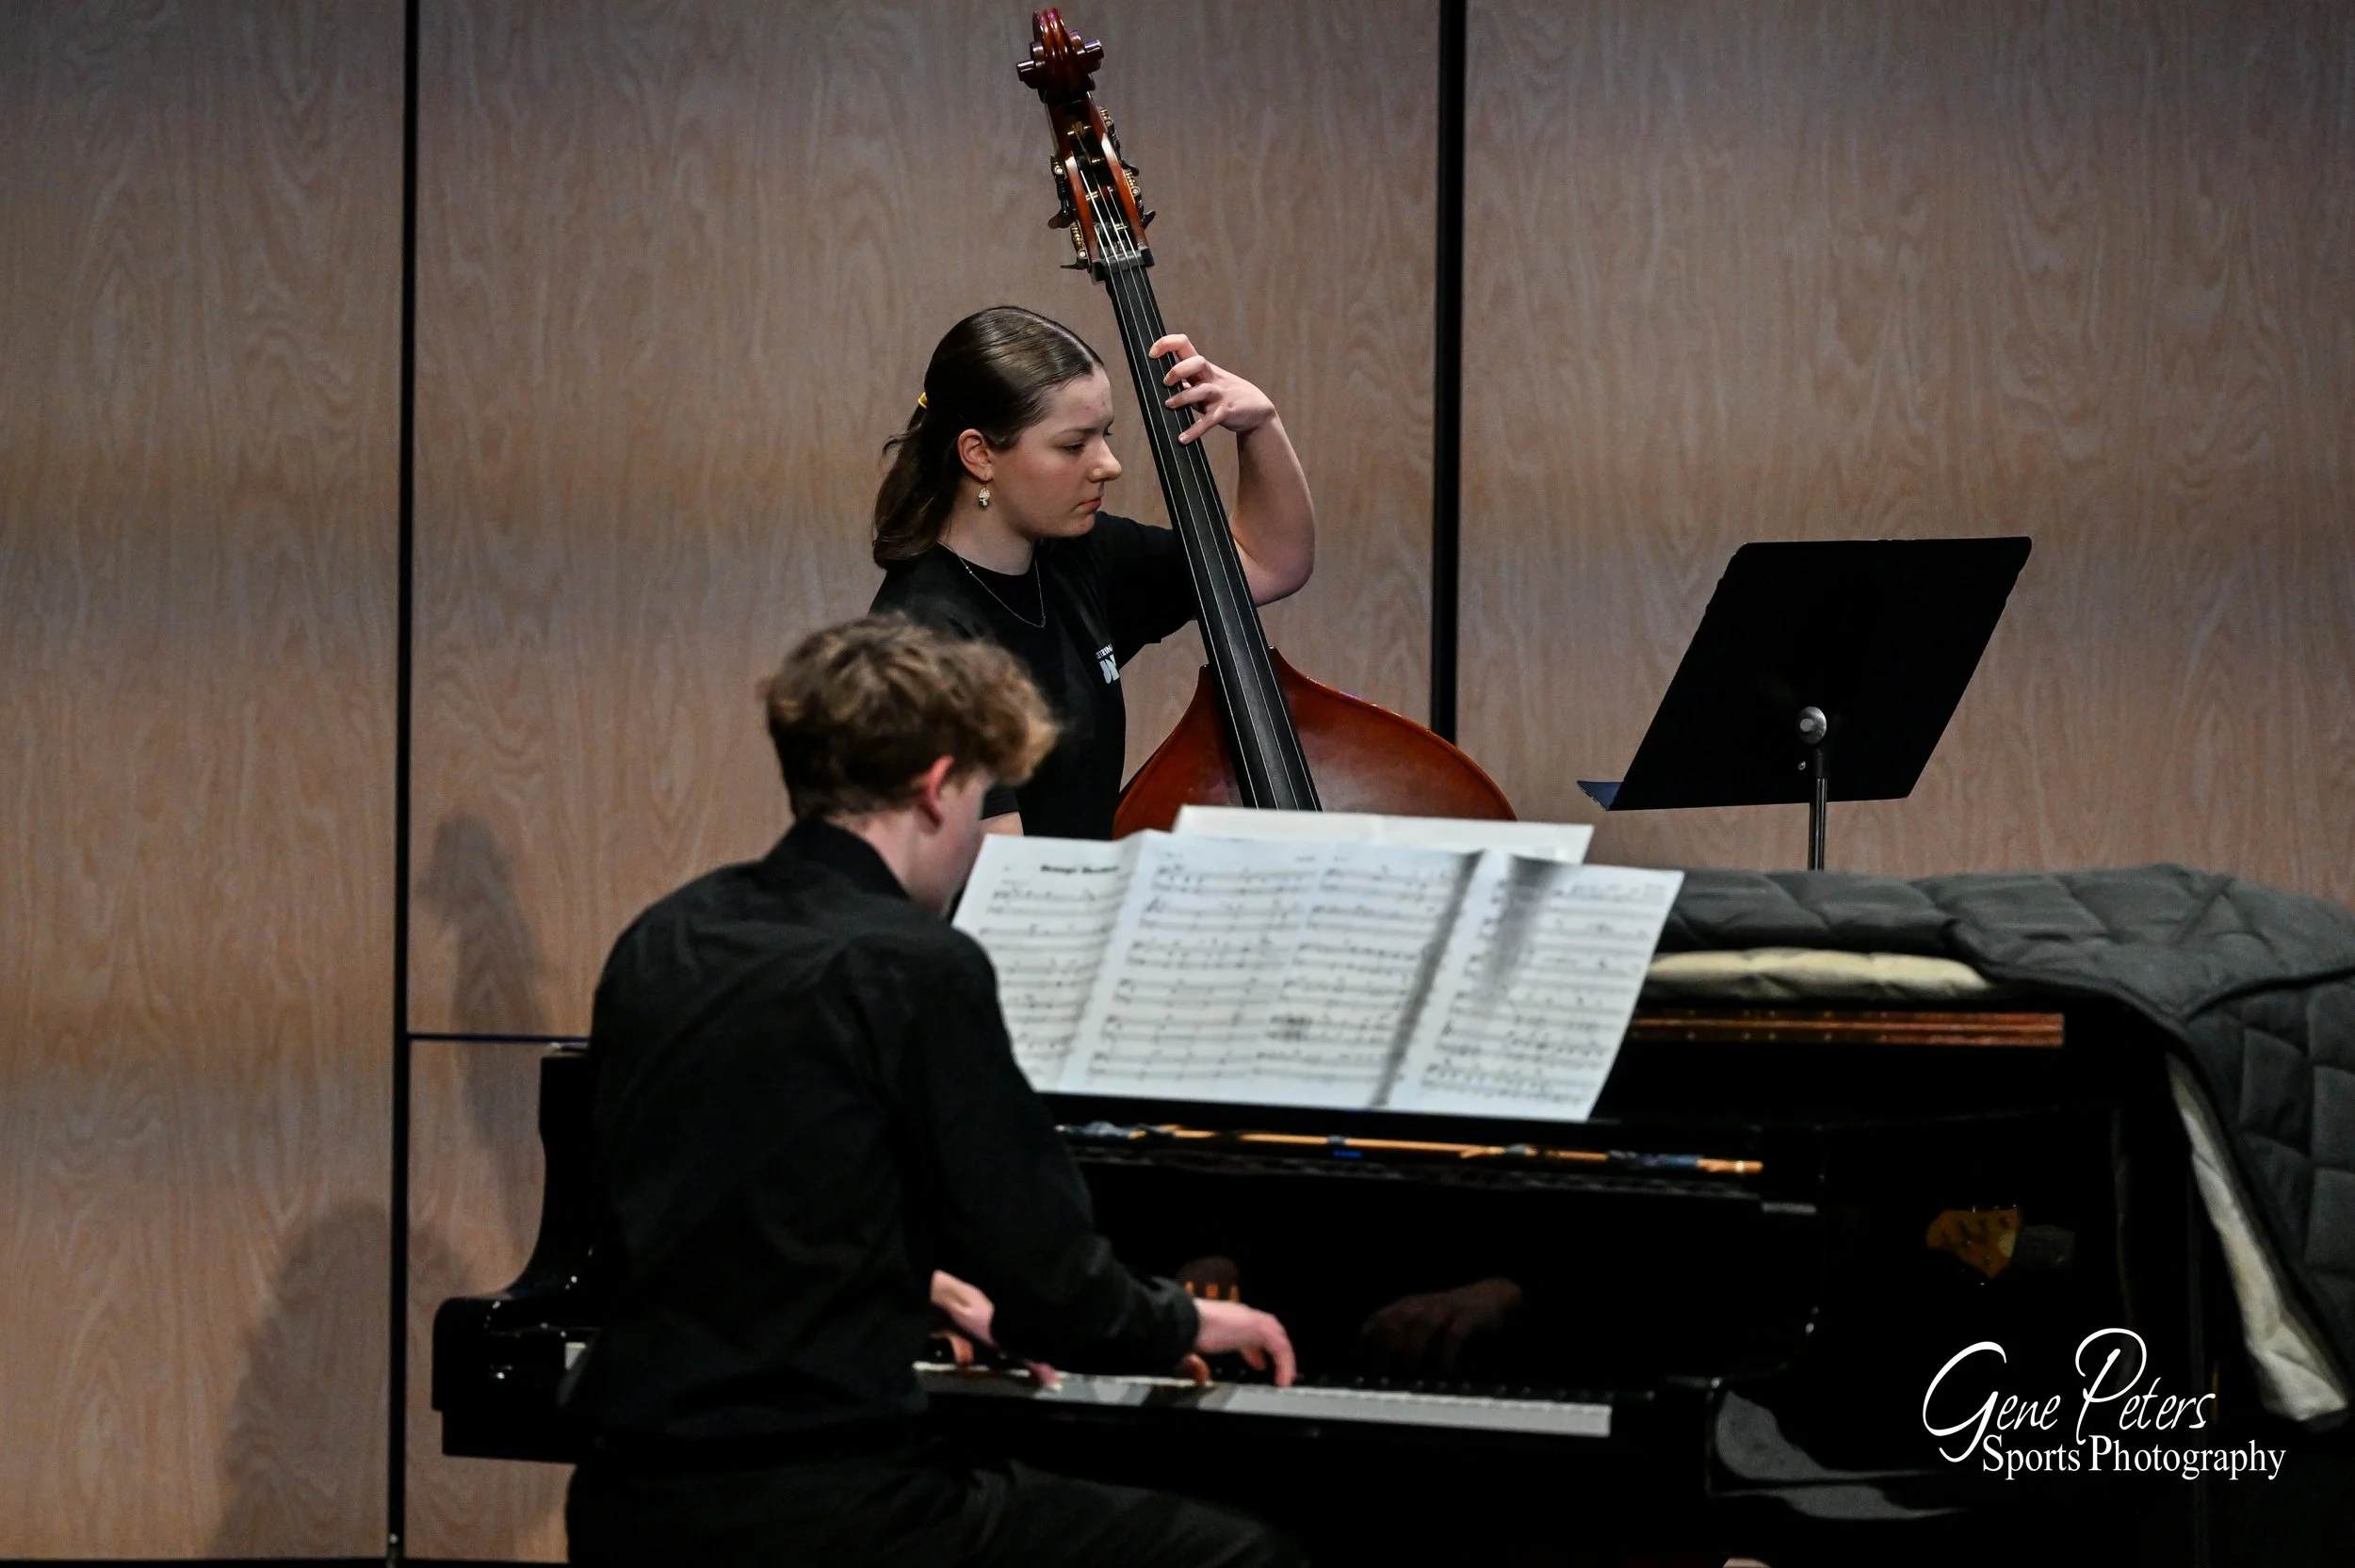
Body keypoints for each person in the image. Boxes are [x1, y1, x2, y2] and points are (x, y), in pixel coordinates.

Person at [562, 614, 1304, 1567]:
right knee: (1247, 1556)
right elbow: (1052, 1292)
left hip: (630, 1500)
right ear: (934, 788)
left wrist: (900, 1277)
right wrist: (1186, 1317)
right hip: (831, 1510)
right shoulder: (918, 966)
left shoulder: (665, 937)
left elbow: (717, 1204)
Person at [869, 305, 1316, 839]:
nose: (1108, 464)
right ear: (979, 455)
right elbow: (1007, 878)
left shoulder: (1076, 553)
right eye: (1073, 445)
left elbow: (1268, 563)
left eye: (1104, 435)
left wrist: (1260, 426)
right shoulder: (922, 642)